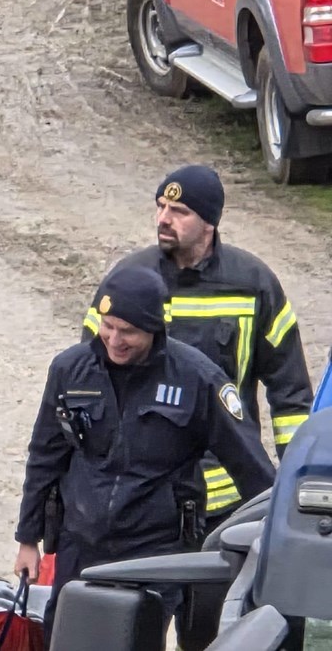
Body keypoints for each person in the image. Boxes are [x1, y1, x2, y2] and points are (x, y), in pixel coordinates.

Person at [16, 266, 276, 650]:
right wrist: (27, 538)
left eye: (128, 331)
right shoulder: (70, 370)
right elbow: (44, 456)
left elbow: (253, 469)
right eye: (107, 326)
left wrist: (276, 538)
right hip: (80, 544)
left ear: (155, 328)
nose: (114, 340)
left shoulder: (199, 380)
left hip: (155, 551)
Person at [83, 165, 312, 525]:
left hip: (231, 502)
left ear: (209, 222)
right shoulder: (128, 282)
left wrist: (299, 483)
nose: (163, 219)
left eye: (179, 211)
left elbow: (291, 398)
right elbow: (87, 381)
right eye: (160, 207)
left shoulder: (254, 285)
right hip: (146, 501)